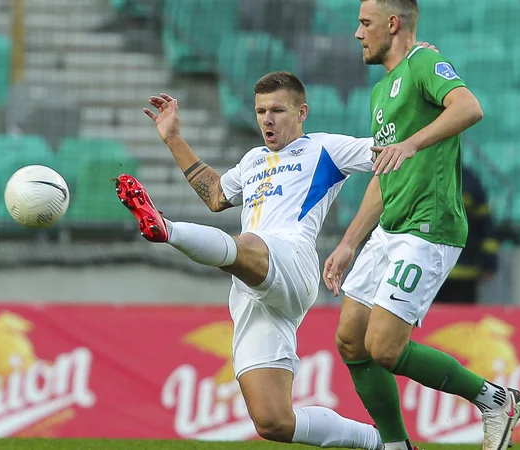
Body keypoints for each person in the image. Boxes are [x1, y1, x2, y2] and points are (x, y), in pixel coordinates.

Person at [115, 72, 383, 449]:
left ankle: (168, 229)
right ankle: (381, 442)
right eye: (260, 111)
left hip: (292, 259)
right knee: (273, 421)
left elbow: (393, 154)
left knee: (250, 242)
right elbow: (215, 196)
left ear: (302, 112)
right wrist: (173, 138)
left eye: (277, 110)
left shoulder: (324, 148)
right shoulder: (253, 160)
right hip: (250, 287)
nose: (267, 120)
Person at [322, 1, 520, 450]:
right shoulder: (382, 92)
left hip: (427, 227)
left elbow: (469, 107)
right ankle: (396, 445)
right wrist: (348, 243)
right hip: (389, 229)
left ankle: (495, 400)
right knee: (350, 340)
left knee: (384, 347)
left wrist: (413, 142)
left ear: (392, 24)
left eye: (365, 23)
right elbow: (384, 172)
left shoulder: (425, 63)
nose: (358, 34)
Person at [435, 165, 499, 304]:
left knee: (461, 322)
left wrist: (489, 261)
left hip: (464, 273)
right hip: (430, 270)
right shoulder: (421, 175)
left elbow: (485, 224)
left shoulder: (469, 180)